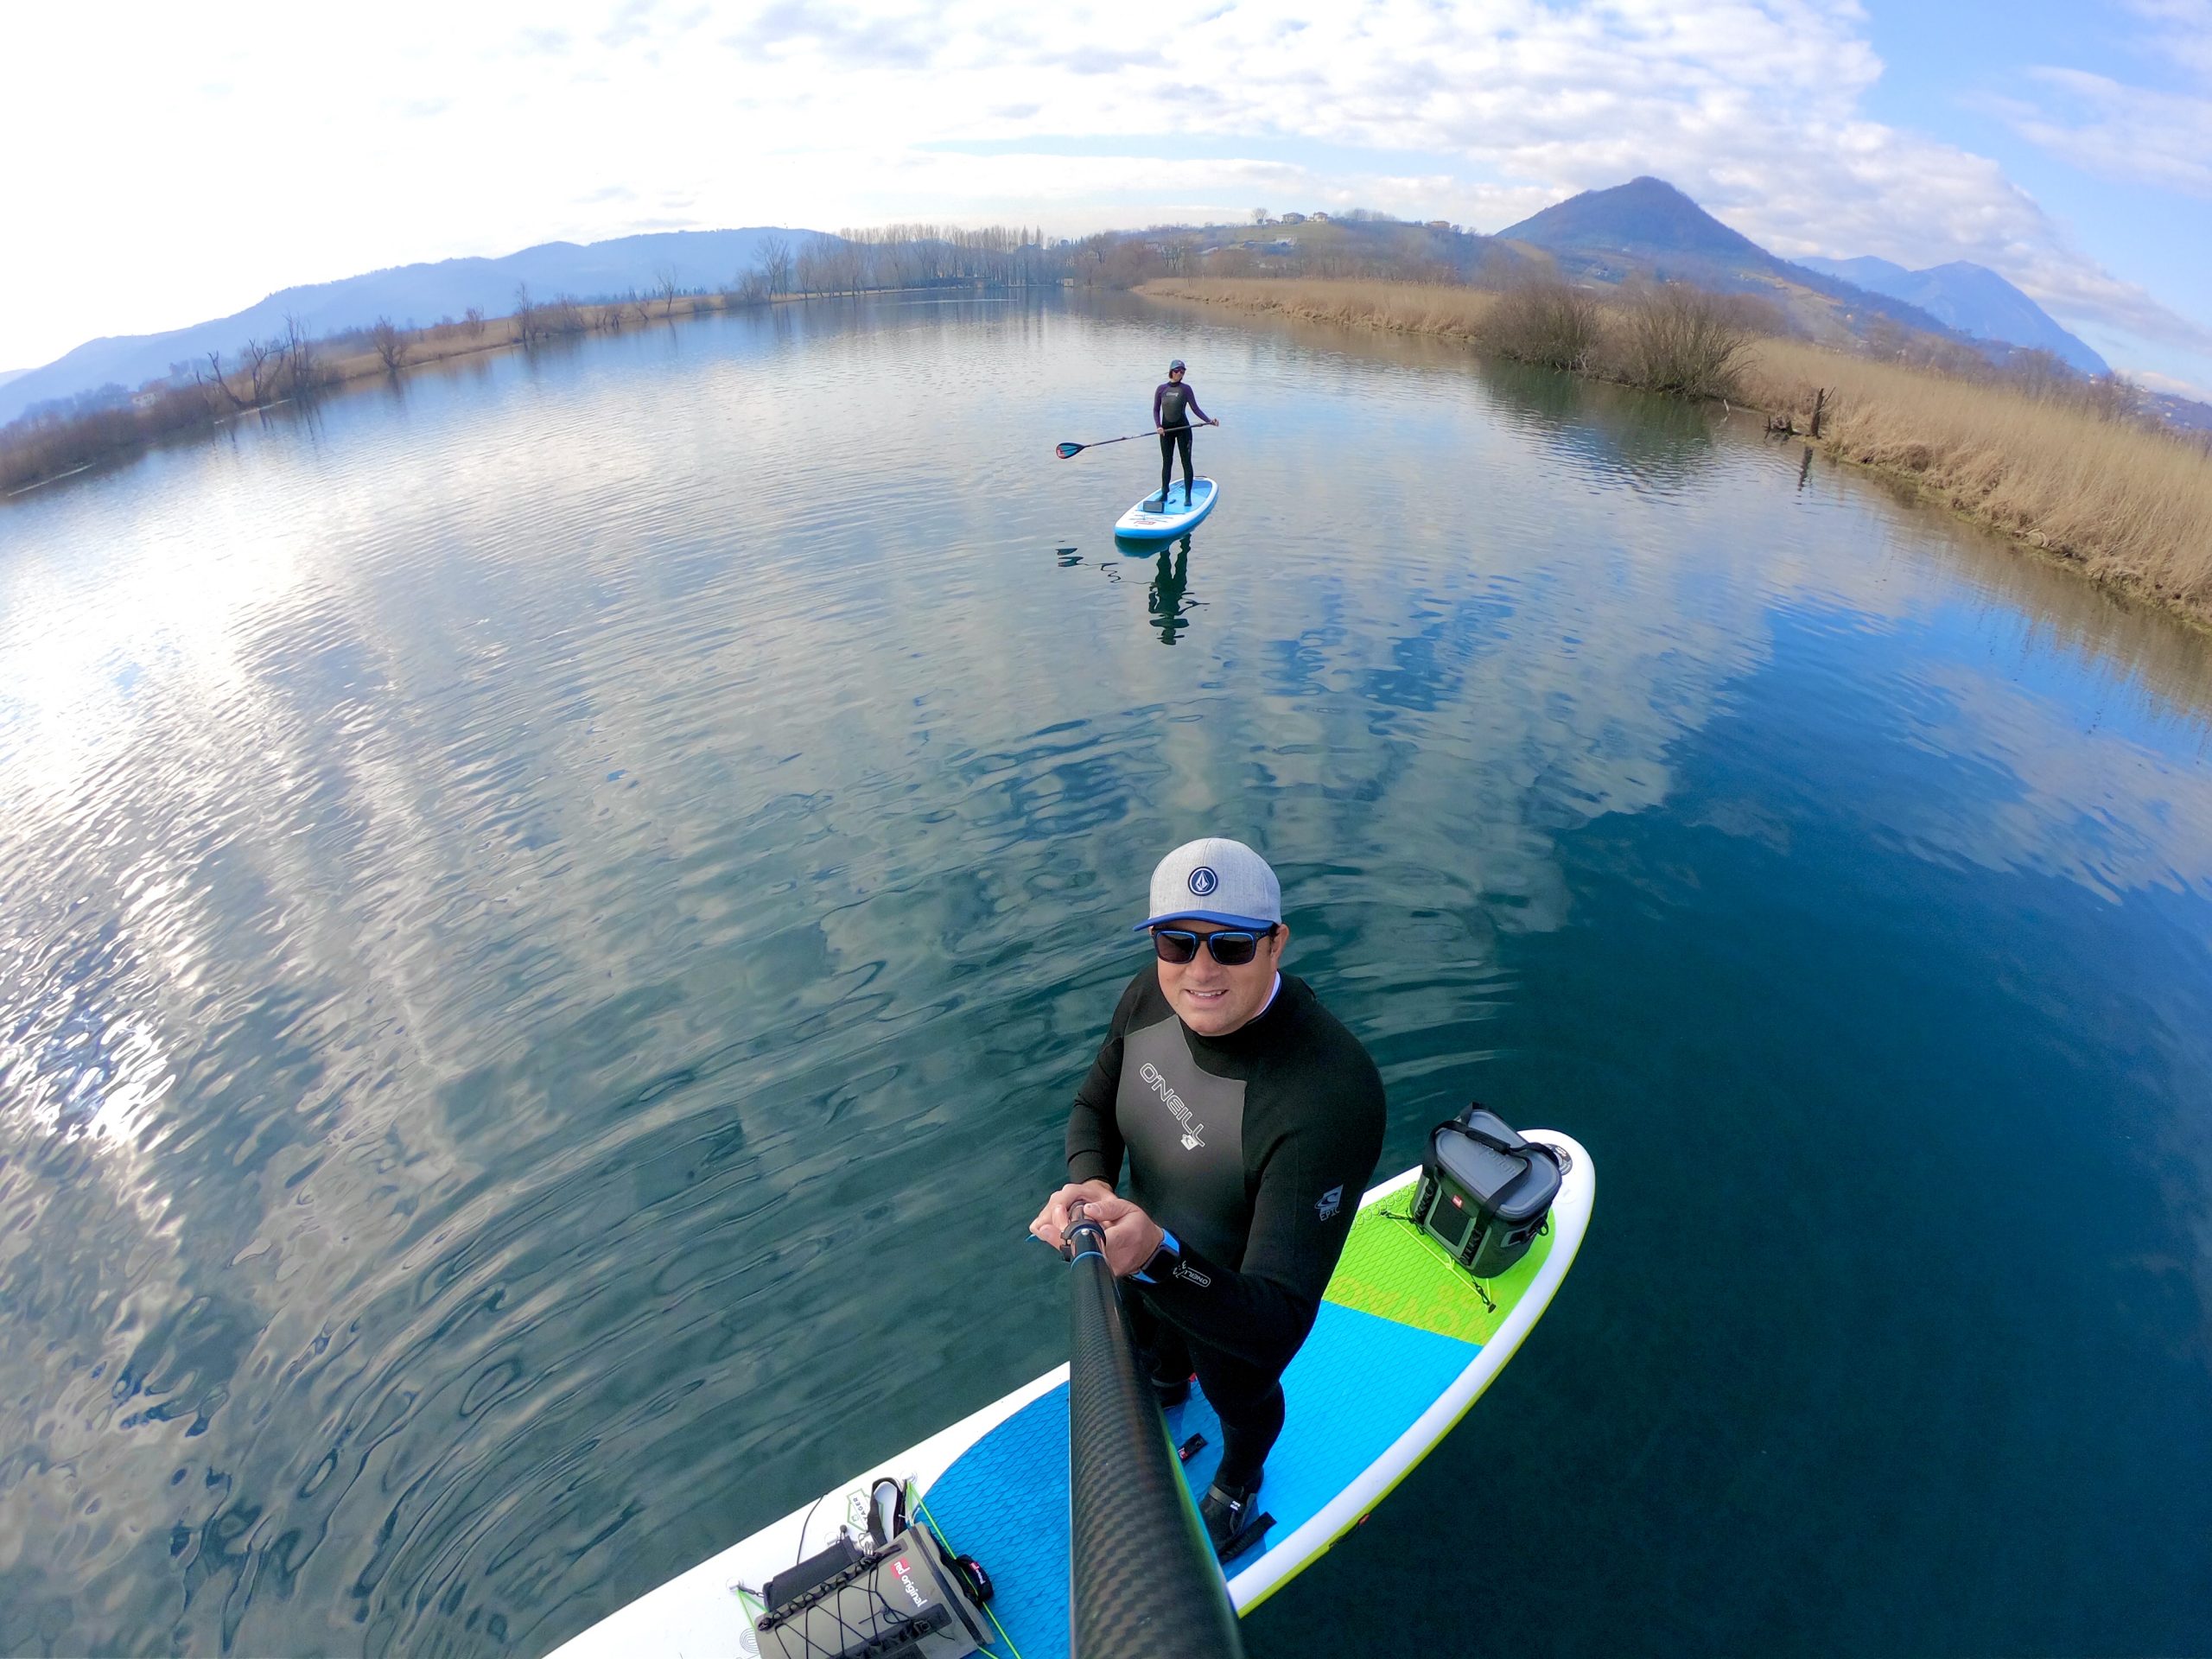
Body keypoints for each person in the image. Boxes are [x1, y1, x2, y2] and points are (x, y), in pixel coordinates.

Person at [1030, 837, 1385, 1556]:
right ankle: (1162, 1385)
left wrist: (1158, 1254)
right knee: (1155, 1353)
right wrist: (1093, 1182)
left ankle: (1240, 1478)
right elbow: (1092, 1109)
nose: (1199, 972)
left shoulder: (1328, 1093)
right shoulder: (1147, 995)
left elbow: (1276, 1322)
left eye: (1230, 945)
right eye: (1176, 943)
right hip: (1141, 1261)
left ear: (1276, 943)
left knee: (1239, 1394)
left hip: (1229, 1309)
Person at [1152, 359, 1218, 509]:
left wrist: (1209, 420)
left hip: (1183, 430)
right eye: (1177, 371)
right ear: (1171, 371)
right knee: (1167, 462)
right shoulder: (1161, 389)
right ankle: (1164, 493)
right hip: (1166, 432)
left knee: (1186, 462)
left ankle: (1188, 496)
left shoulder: (1186, 389)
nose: (1180, 374)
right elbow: (1156, 410)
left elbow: (1195, 409)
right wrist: (1159, 426)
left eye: (1182, 372)